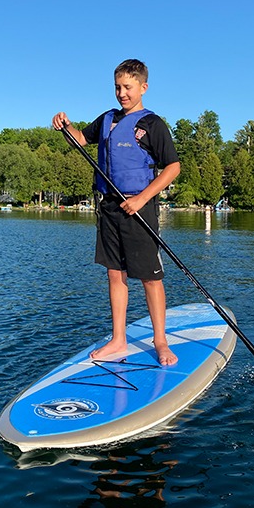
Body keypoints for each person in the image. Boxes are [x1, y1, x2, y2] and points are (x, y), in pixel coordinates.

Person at [51, 59, 183, 366]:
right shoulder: (107, 119)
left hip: (139, 208)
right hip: (109, 207)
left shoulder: (153, 125)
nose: (122, 93)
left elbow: (173, 167)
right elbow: (80, 140)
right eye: (117, 87)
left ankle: (160, 341)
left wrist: (140, 199)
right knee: (115, 274)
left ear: (143, 87)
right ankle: (119, 339)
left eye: (128, 87)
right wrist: (65, 125)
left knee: (150, 278)